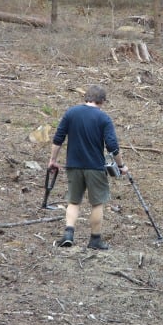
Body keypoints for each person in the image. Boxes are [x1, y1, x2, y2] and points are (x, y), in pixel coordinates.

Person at [48, 85, 128, 249]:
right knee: (97, 203)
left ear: (86, 98)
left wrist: (52, 160)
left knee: (73, 201)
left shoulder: (71, 113)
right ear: (102, 101)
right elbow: (112, 146)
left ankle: (68, 234)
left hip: (73, 164)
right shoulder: (103, 118)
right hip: (95, 167)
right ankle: (95, 240)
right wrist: (121, 166)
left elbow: (58, 139)